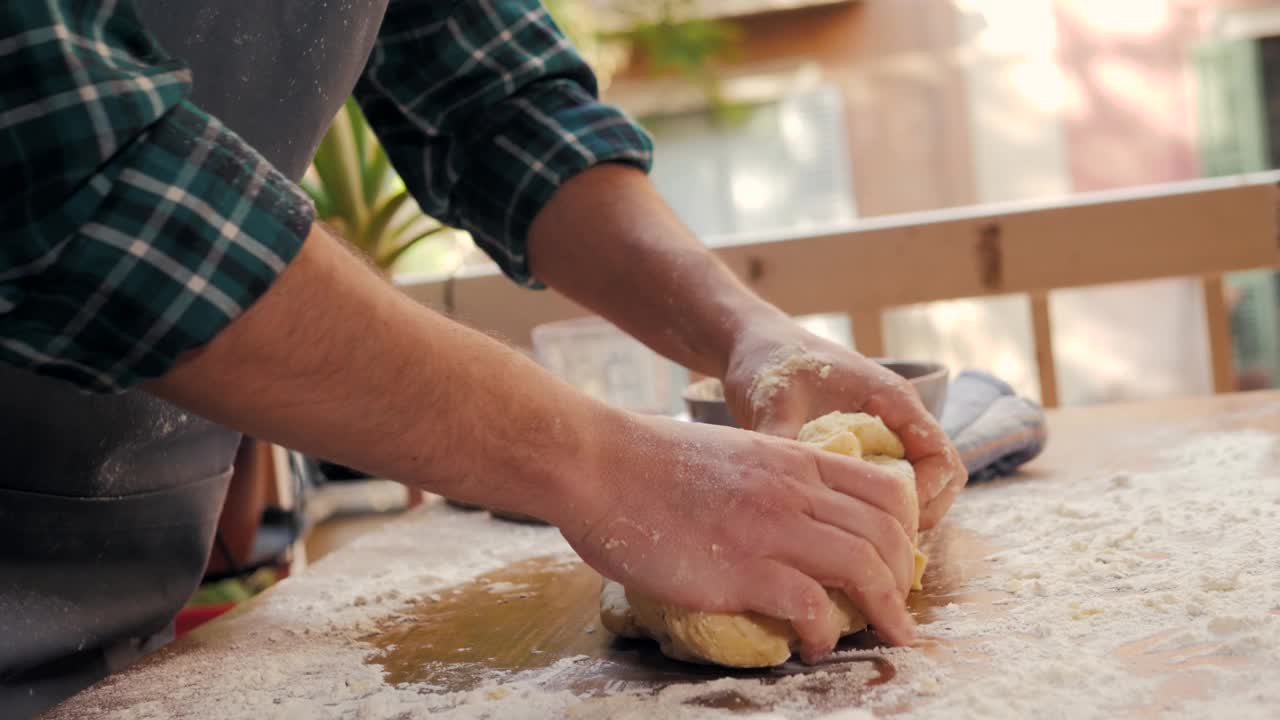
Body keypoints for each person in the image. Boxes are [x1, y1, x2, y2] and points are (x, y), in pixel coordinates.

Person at [0, 0, 967, 712]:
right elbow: (84, 180)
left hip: (118, 642)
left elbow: (497, 100)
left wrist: (745, 331)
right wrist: (607, 465)